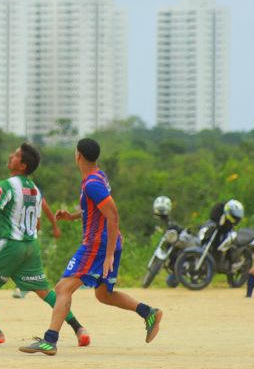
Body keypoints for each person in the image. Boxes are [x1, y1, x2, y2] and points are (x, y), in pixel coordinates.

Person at [19, 138, 162, 356]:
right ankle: (148, 313)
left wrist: (108, 254)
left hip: (97, 245)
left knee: (62, 288)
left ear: (78, 155)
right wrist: (73, 216)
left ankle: (49, 340)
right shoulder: (97, 176)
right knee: (104, 295)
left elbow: (113, 215)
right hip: (105, 243)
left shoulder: (92, 184)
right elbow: (96, 208)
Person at [0, 143, 89, 347]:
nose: (11, 156)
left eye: (16, 155)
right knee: (44, 292)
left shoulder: (7, 184)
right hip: (31, 246)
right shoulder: (35, 190)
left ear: (22, 165)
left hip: (11, 244)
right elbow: (36, 222)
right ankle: (79, 328)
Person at [12, 197, 61, 299]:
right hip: (20, 232)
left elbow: (45, 207)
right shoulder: (17, 192)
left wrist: (55, 226)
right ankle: (25, 286)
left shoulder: (33, 193)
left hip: (29, 233)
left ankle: (24, 286)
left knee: (26, 259)